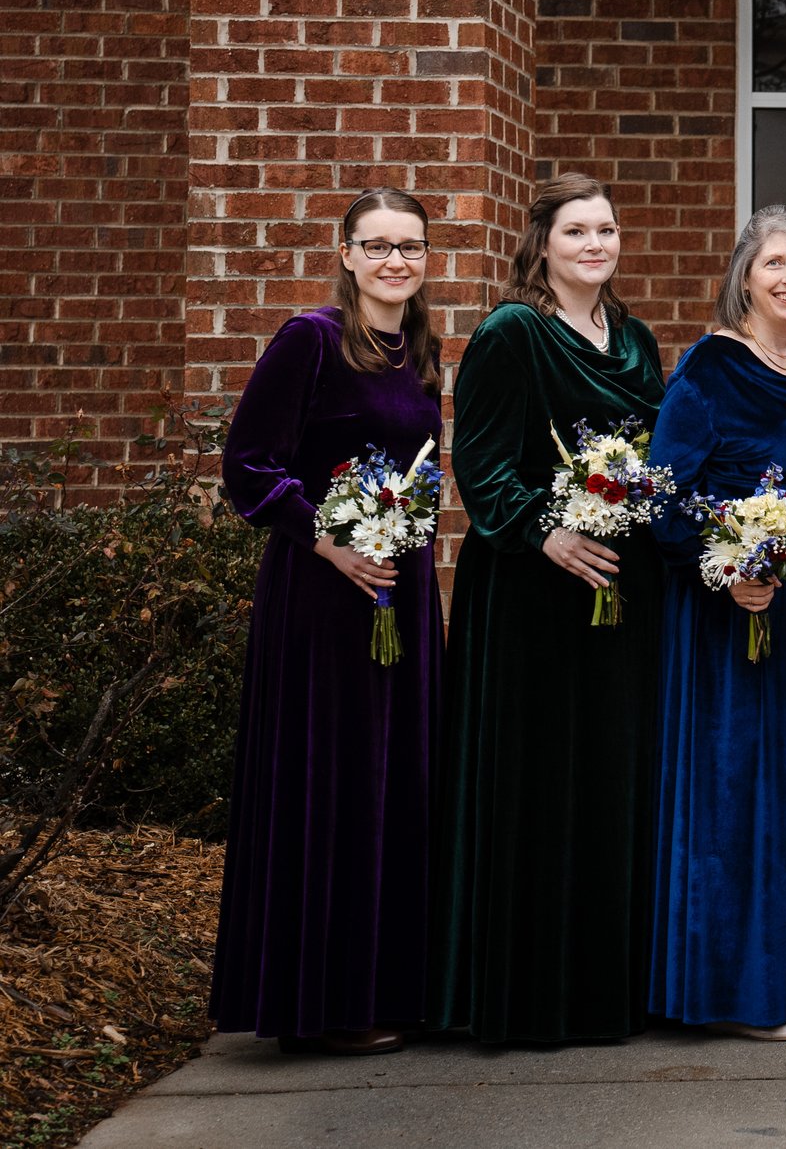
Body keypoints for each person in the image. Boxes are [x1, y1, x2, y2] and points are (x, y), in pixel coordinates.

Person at [433, 173, 668, 1045]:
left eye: (606, 229)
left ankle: (605, 993)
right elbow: (481, 460)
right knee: (537, 784)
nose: (595, 244)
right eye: (577, 231)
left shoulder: (635, 340)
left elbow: (656, 453)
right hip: (531, 593)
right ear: (541, 243)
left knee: (609, 778)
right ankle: (527, 996)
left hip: (618, 585)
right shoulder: (512, 332)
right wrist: (547, 531)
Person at [212, 189, 443, 1054]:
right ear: (345, 253)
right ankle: (319, 1004)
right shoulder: (310, 338)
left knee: (393, 787)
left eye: (410, 246)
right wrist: (329, 540)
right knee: (333, 784)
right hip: (322, 598)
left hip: (400, 593)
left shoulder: (418, 349)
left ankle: (387, 989)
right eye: (377, 245)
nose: (395, 261)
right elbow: (248, 466)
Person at [646, 207, 786, 1039]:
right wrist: (729, 565)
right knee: (735, 794)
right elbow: (662, 498)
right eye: (775, 263)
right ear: (745, 275)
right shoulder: (710, 368)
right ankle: (737, 993)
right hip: (728, 616)